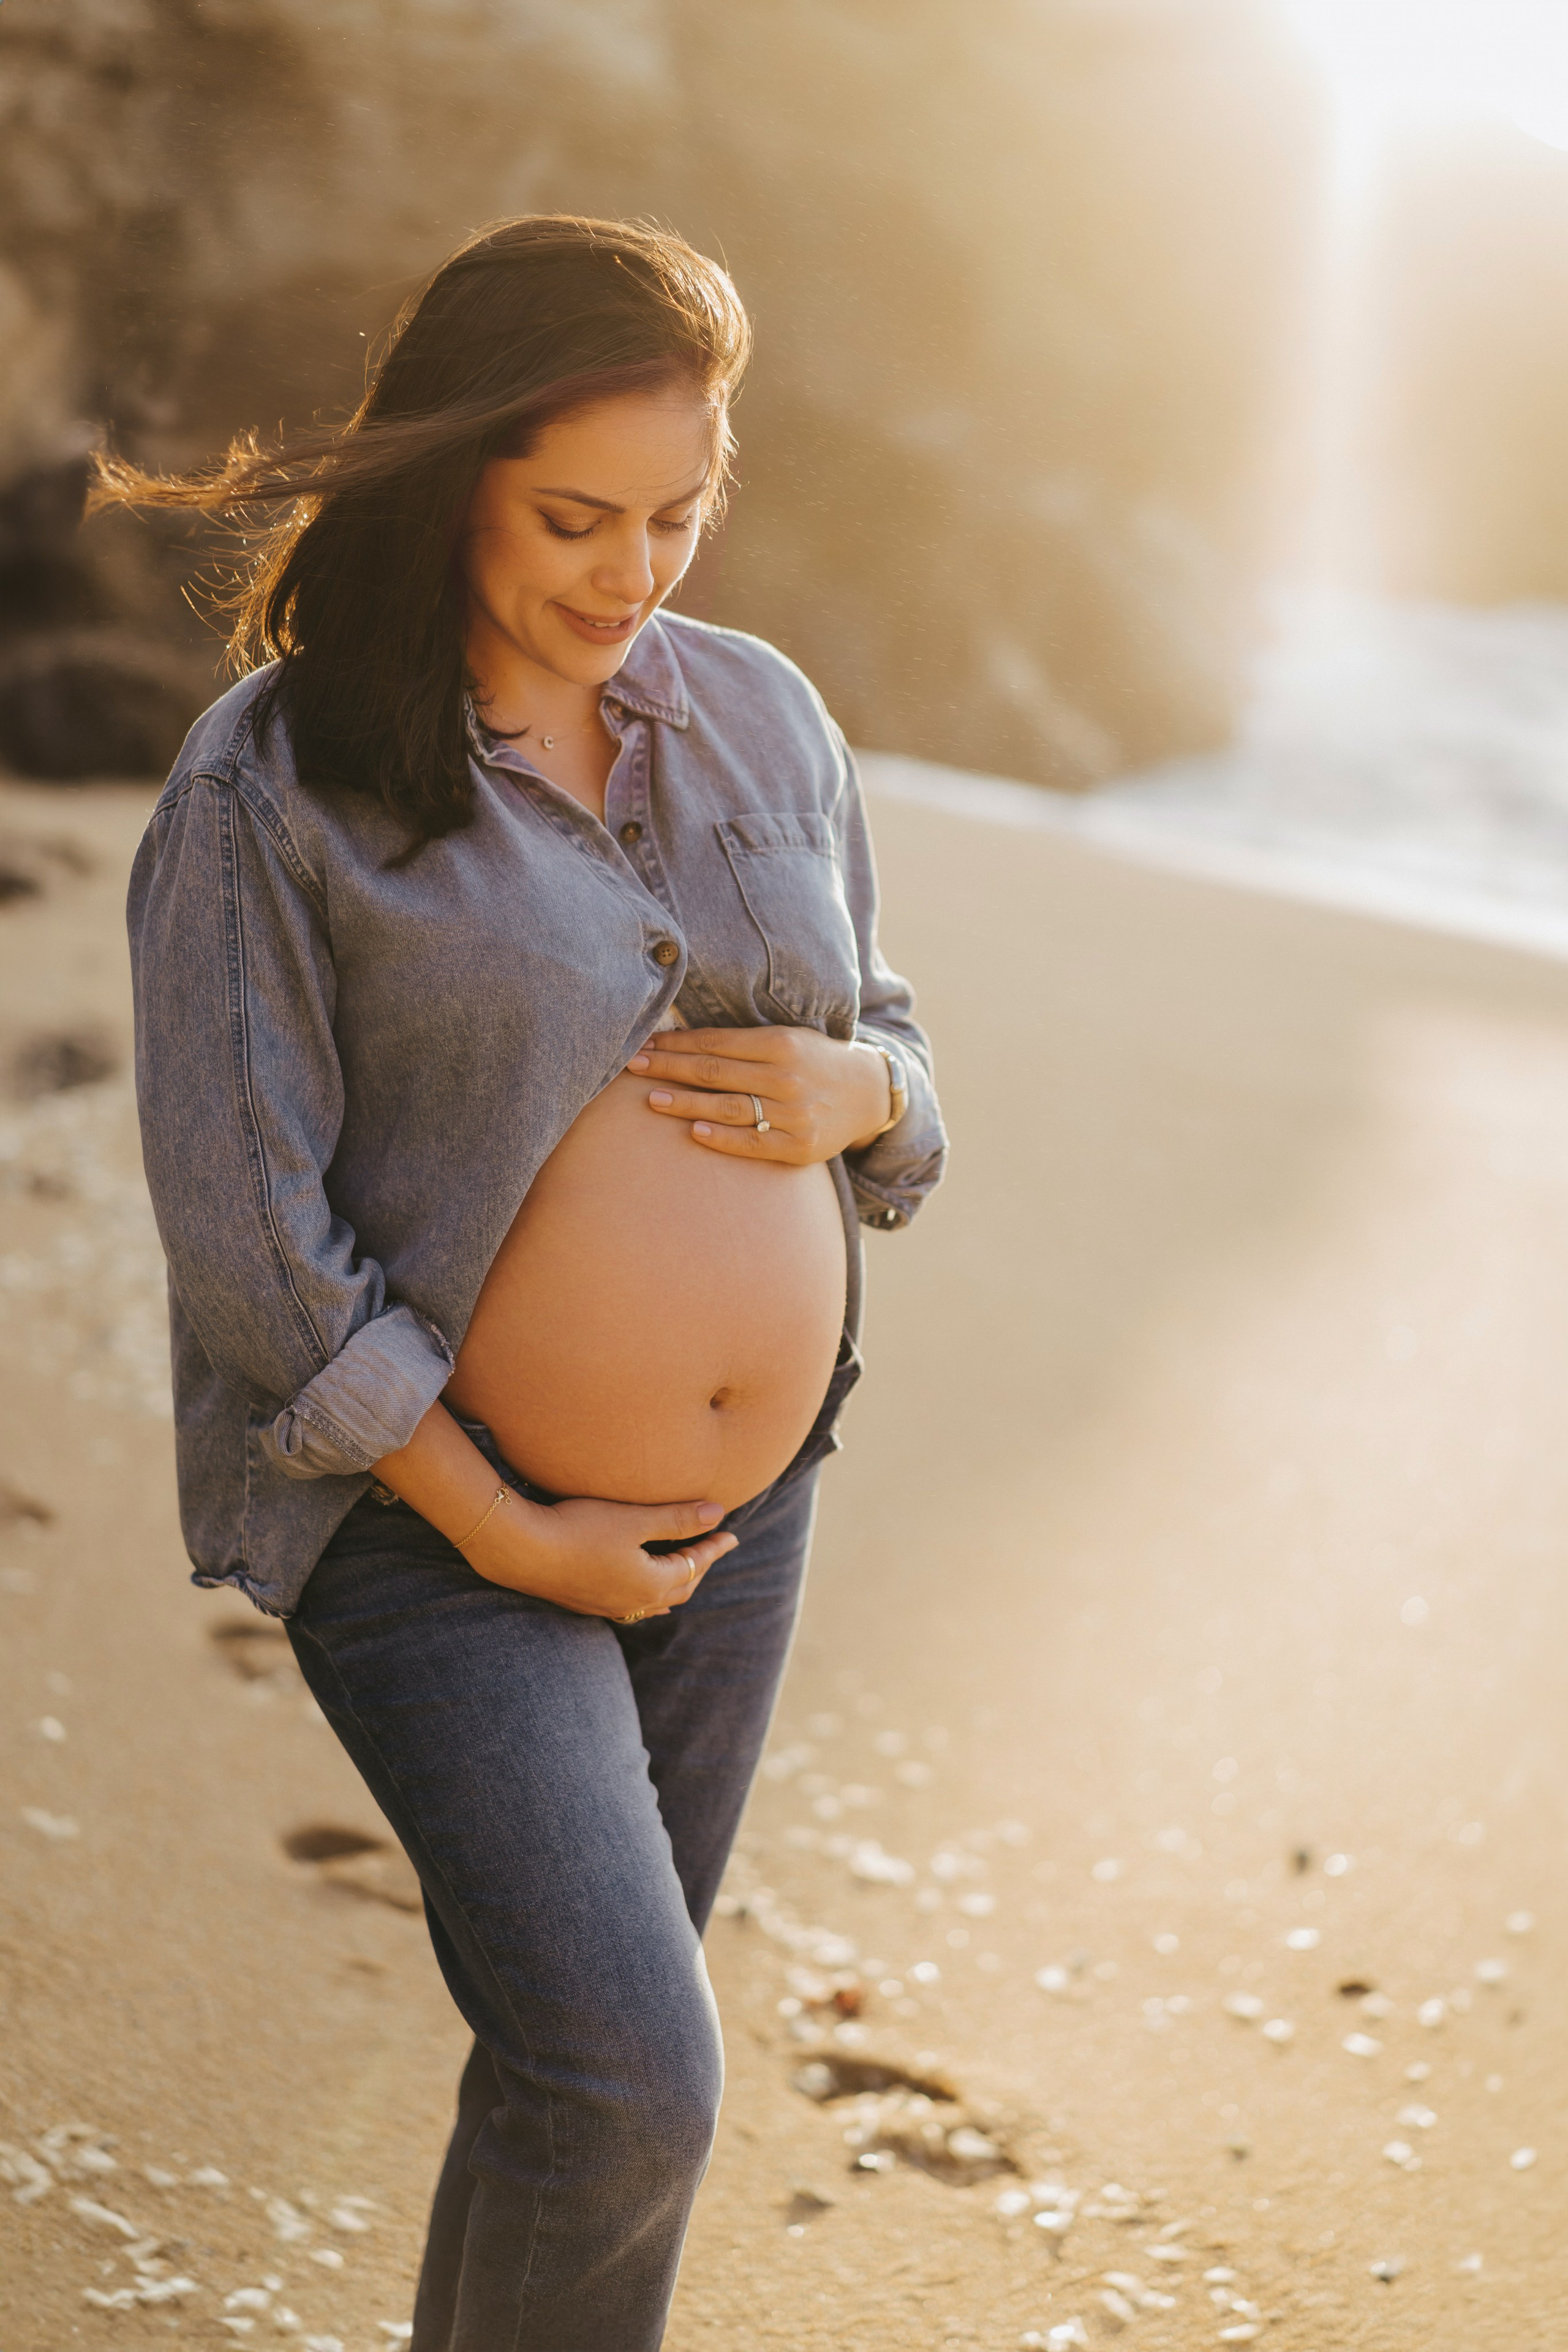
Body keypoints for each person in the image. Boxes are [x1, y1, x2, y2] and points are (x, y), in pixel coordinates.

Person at [103, 214, 946, 2350]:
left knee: (580, 2084)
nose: (634, 569)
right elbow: (253, 1245)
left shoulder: (763, 717)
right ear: (454, 467)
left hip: (746, 1522)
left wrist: (862, 1086)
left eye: (680, 513)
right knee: (636, 2079)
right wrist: (515, 1525)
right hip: (439, 1529)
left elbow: (902, 1050)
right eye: (578, 515)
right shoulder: (274, 787)